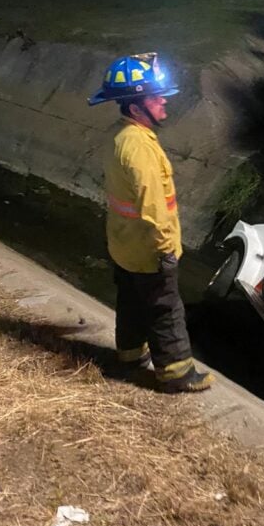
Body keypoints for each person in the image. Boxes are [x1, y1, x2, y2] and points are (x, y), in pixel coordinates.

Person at [88, 53, 214, 394]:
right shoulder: (140, 148)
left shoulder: (119, 137)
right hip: (149, 248)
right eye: (155, 97)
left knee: (130, 301)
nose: (163, 101)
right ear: (134, 108)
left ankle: (129, 357)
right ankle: (176, 374)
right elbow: (154, 208)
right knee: (165, 310)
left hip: (124, 245)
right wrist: (165, 251)